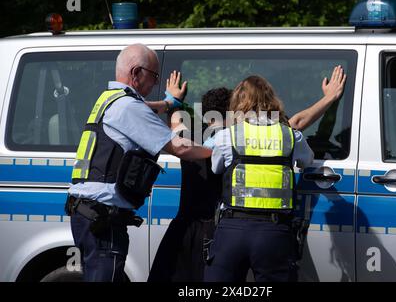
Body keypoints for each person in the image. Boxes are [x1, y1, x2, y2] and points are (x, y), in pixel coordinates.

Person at [65, 43, 211, 282]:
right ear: (136, 73)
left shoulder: (109, 99)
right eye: (154, 76)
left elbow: (140, 108)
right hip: (102, 218)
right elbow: (180, 147)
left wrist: (169, 103)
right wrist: (220, 152)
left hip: (87, 214)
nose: (155, 83)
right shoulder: (127, 107)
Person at [204, 72, 346, 282]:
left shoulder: (227, 135)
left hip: (232, 229)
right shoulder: (289, 135)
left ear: (238, 102)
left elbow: (216, 168)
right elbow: (307, 161)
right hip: (274, 231)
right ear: (271, 99)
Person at [148, 82, 232, 282]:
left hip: (184, 227)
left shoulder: (190, 137)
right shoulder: (233, 142)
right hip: (217, 228)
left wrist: (175, 100)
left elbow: (177, 126)